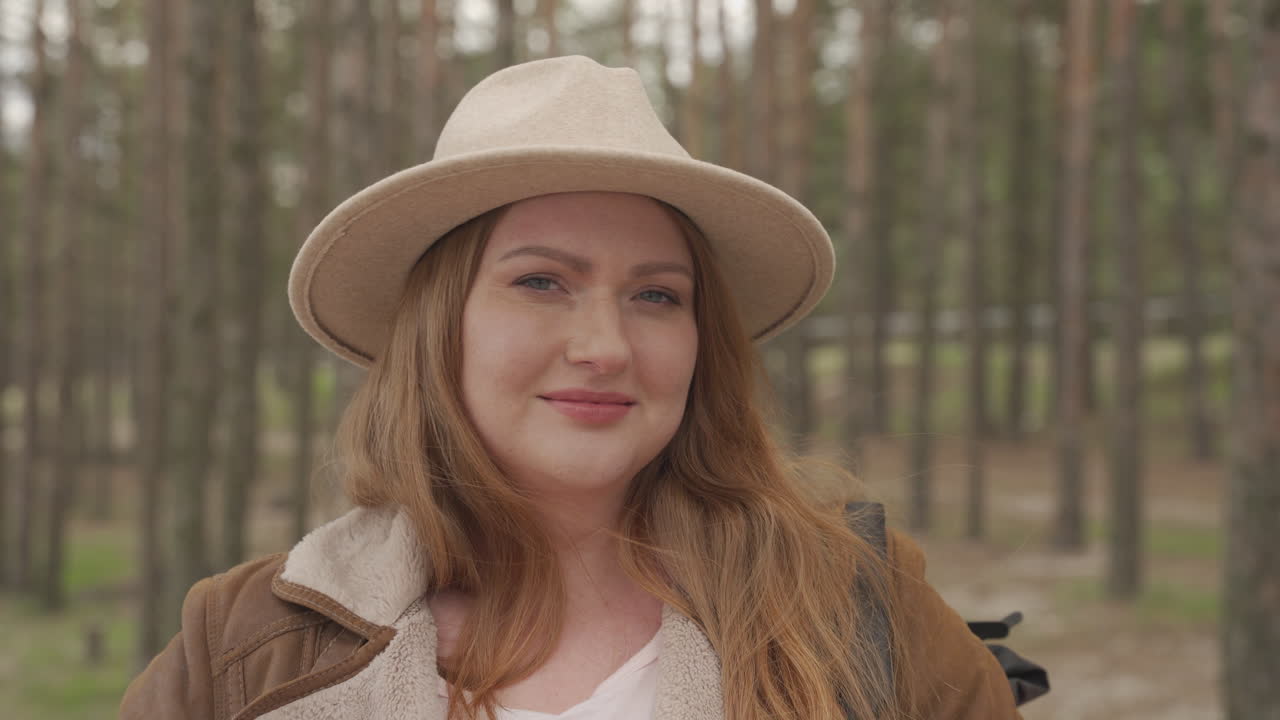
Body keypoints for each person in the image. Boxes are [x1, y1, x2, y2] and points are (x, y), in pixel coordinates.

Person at [120, 55, 1019, 720]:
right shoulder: (244, 644)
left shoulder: (851, 600)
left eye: (657, 296)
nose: (605, 347)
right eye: (541, 282)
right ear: (441, 328)